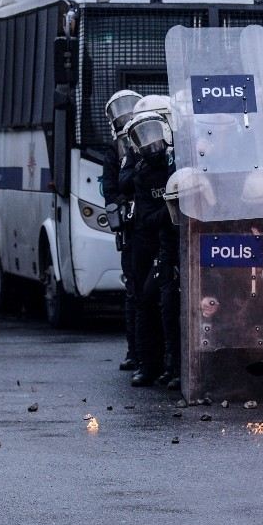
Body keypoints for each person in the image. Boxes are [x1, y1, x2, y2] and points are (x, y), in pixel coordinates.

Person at [123, 109, 176, 387]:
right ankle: (148, 364)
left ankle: (173, 367)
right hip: (148, 244)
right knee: (145, 300)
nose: (150, 144)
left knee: (171, 305)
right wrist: (170, 211)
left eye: (154, 136)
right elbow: (147, 216)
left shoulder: (174, 165)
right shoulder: (141, 173)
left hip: (172, 244)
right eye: (143, 139)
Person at [102, 89, 142, 371]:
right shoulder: (114, 151)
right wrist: (123, 205)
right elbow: (110, 188)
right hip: (131, 228)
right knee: (134, 292)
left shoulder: (151, 143)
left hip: (149, 227)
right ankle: (135, 351)